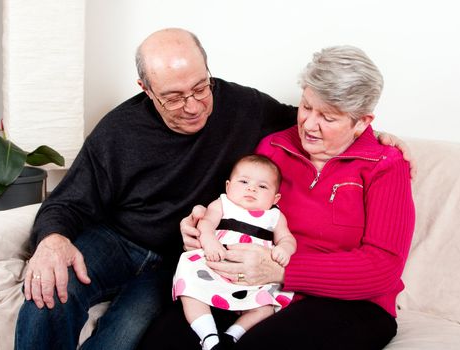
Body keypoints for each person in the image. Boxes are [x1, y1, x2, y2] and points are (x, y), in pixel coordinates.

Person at [14, 27, 411, 350]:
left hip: (210, 266)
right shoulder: (122, 131)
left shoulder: (249, 110)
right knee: (50, 291)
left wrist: (374, 137)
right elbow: (69, 200)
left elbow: (320, 124)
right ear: (145, 89)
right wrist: (52, 239)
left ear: (209, 72)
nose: (192, 106)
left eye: (200, 88)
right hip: (132, 244)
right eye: (172, 97)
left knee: (130, 335)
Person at [141, 45, 415, 350]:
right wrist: (201, 229)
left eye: (328, 117)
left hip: (350, 303)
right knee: (164, 340)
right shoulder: (274, 147)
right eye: (307, 106)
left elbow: (382, 268)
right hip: (256, 285)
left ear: (362, 122)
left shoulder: (385, 165)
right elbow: (237, 210)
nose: (310, 125)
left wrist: (284, 271)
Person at [174, 154, 296, 350]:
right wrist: (209, 239)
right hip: (215, 263)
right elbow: (206, 224)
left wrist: (284, 249)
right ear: (228, 186)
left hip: (254, 277)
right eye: (244, 181)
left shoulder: (275, 216)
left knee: (267, 306)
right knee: (188, 286)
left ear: (276, 198)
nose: (251, 188)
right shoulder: (222, 204)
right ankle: (208, 336)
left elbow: (287, 238)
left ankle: (234, 334)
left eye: (262, 186)